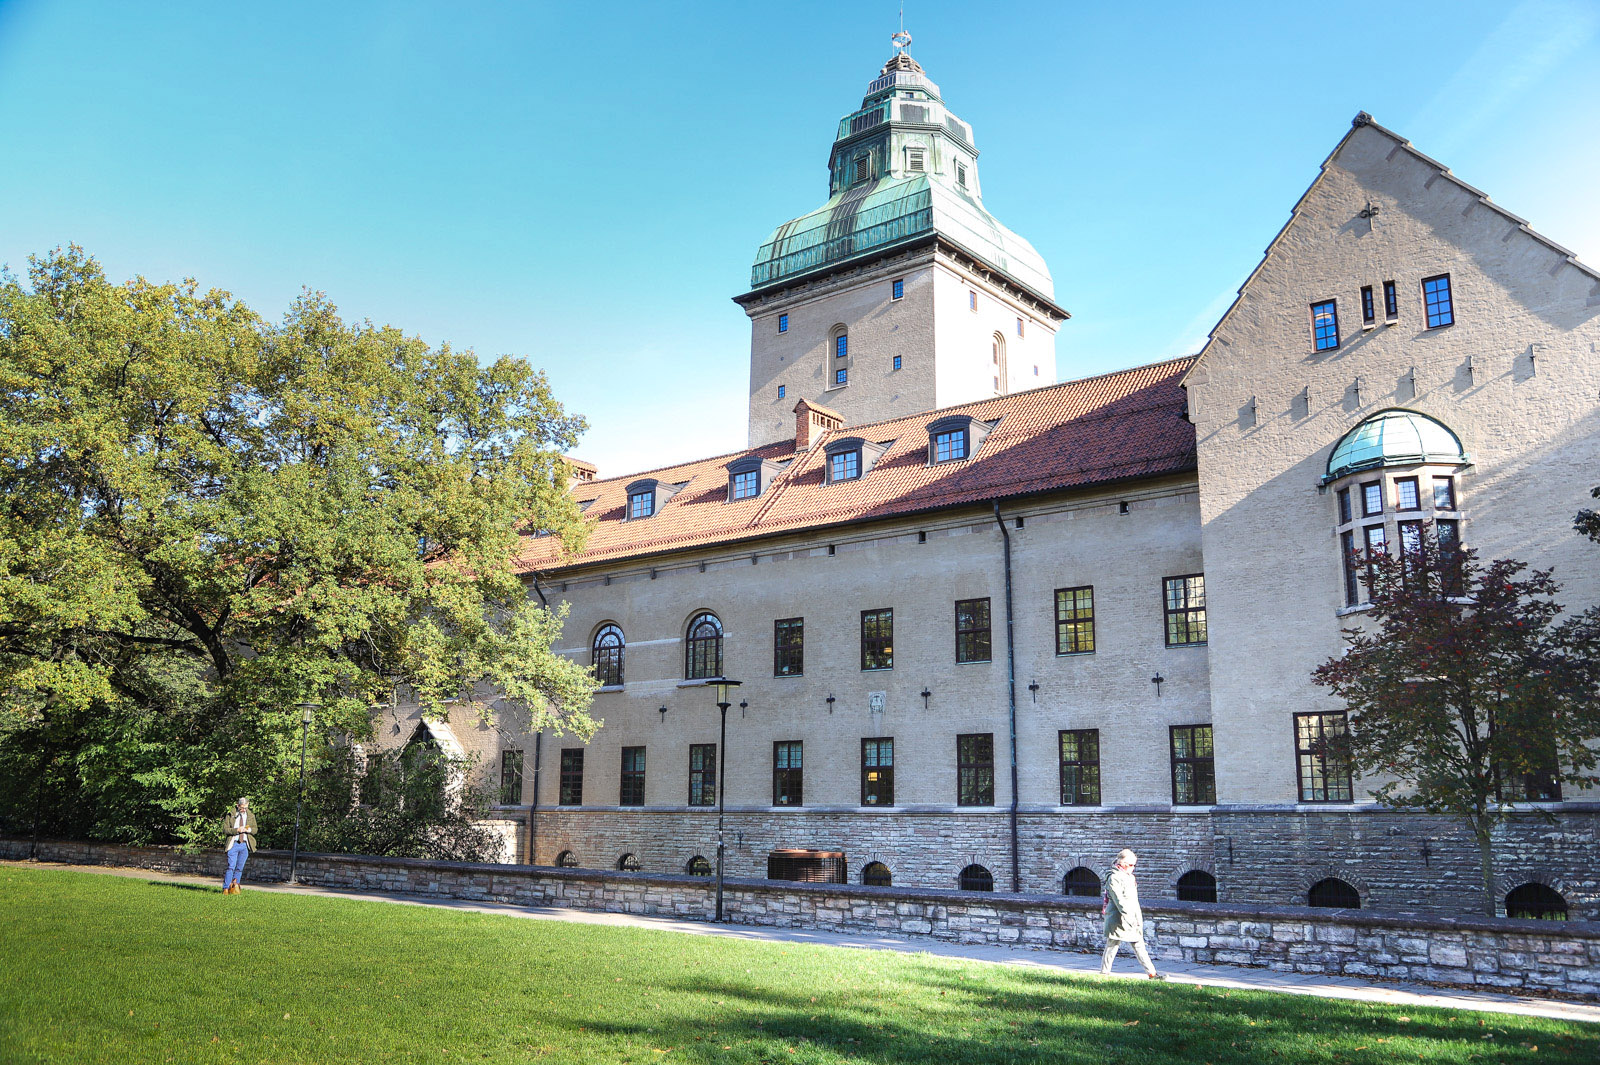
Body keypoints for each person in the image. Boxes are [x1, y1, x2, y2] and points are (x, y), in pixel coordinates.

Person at [1101, 848, 1164, 979]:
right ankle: (1104, 973)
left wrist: (1136, 917)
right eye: (1130, 865)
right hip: (1117, 918)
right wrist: (1130, 917)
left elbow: (1132, 901)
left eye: (1134, 865)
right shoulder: (1114, 877)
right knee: (1112, 946)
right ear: (1122, 863)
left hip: (1131, 917)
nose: (1133, 868)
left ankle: (1152, 974)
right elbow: (1119, 901)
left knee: (1139, 945)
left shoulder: (1129, 877)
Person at [221, 797, 256, 894]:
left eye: (245, 807)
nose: (244, 810)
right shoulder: (231, 814)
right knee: (231, 866)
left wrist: (248, 830)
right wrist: (237, 830)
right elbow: (225, 829)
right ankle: (226, 888)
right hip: (234, 843)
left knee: (239, 867)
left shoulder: (250, 816)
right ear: (238, 805)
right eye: (242, 808)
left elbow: (255, 829)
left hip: (244, 844)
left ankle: (235, 886)